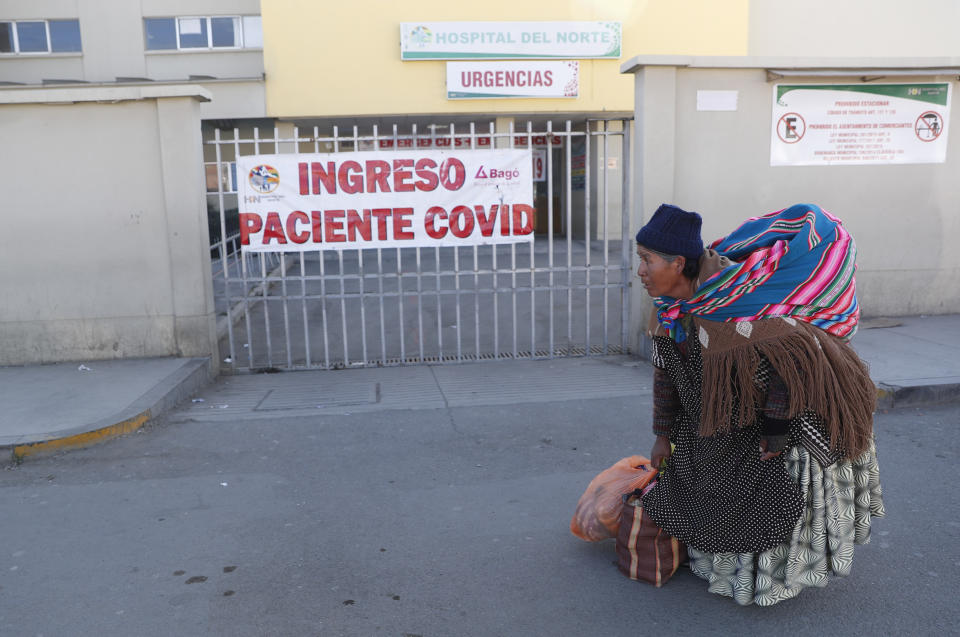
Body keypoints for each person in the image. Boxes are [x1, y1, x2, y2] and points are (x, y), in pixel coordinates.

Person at [635, 203, 884, 606]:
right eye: (640, 260)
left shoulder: (740, 304)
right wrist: (663, 436)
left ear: (678, 263)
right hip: (714, 424)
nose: (641, 271)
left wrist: (775, 428)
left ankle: (769, 583)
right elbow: (665, 375)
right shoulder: (669, 311)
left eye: (647, 261)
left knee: (766, 504)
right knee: (712, 494)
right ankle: (719, 570)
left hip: (778, 424)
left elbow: (792, 364)